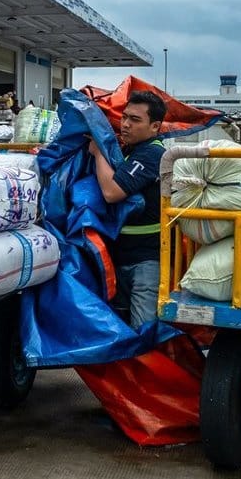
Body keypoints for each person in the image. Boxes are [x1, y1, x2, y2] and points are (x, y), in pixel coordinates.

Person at [87, 90, 167, 328]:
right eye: (124, 117)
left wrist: (98, 152)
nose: (126, 124)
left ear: (155, 126)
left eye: (135, 119)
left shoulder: (153, 154)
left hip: (145, 262)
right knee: (121, 326)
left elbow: (112, 192)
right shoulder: (129, 151)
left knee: (143, 329)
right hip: (121, 258)